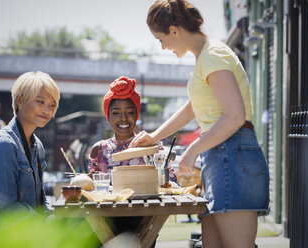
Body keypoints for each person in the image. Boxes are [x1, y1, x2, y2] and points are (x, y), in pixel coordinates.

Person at [129, 1, 270, 247]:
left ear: (174, 30)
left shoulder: (213, 55)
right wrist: (155, 136)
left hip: (232, 154)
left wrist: (192, 151)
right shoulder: (205, 57)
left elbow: (235, 116)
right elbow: (193, 108)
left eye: (161, 40)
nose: (163, 48)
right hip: (222, 156)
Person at [88, 76, 176, 247]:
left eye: (129, 112)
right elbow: (93, 188)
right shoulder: (98, 150)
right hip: (107, 224)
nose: (123, 118)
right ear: (108, 117)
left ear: (136, 115)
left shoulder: (151, 147)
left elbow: (171, 182)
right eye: (116, 113)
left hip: (143, 223)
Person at [0, 71, 60, 245]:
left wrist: (55, 216)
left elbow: (40, 197)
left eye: (52, 105)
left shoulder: (37, 145)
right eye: (40, 102)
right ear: (20, 101)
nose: (47, 110)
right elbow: (9, 205)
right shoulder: (5, 144)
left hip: (23, 232)